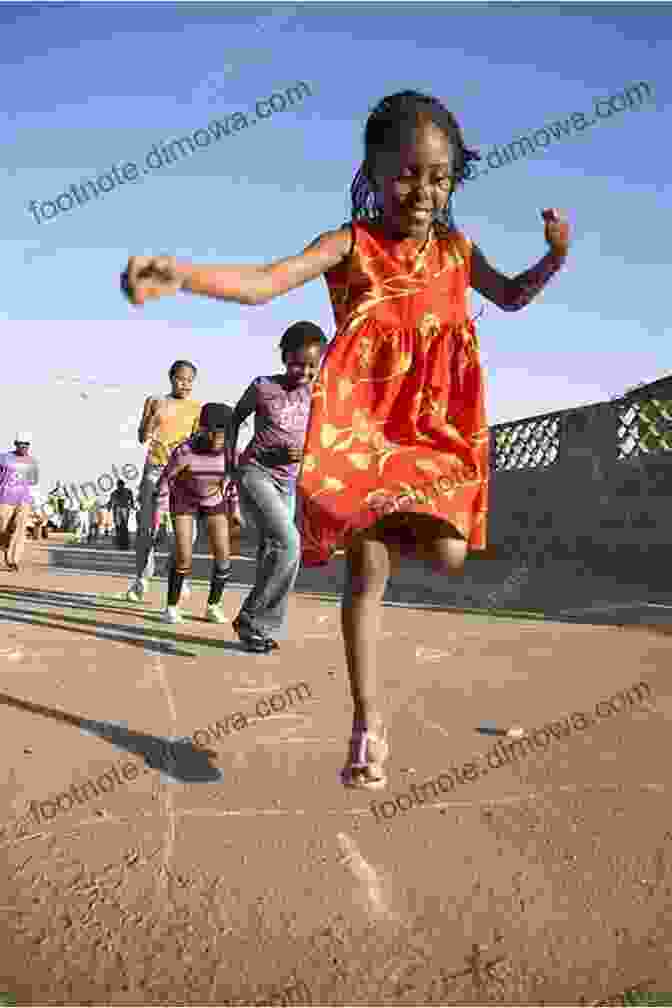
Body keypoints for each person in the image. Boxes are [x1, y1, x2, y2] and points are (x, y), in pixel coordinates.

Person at [121, 88, 570, 789]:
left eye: (440, 176)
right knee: (369, 576)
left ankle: (392, 533)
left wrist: (555, 260)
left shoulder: (457, 250)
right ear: (374, 169)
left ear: (454, 178)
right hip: (361, 425)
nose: (423, 190)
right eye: (407, 172)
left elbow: (509, 297)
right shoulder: (351, 244)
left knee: (451, 554)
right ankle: (366, 724)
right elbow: (266, 283)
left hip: (432, 427)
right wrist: (182, 275)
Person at [229, 321, 327, 652]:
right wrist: (231, 462)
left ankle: (258, 629)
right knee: (289, 543)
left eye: (313, 365)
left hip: (288, 482)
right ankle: (253, 619)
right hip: (255, 472)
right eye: (298, 363)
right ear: (285, 357)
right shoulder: (263, 386)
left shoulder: (318, 393)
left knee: (273, 553)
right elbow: (234, 419)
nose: (305, 371)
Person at [152, 402, 239, 624]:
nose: (221, 439)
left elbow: (231, 482)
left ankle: (213, 606)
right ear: (203, 430)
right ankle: (171, 607)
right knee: (184, 555)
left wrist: (235, 508)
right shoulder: (185, 451)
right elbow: (164, 482)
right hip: (184, 501)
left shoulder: (231, 452)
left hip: (213, 500)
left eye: (227, 434)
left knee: (223, 555)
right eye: (217, 434)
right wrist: (159, 514)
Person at [126, 360, 203, 603]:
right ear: (171, 378)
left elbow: (199, 442)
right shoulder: (155, 401)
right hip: (155, 469)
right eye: (181, 379)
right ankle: (141, 578)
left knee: (184, 532)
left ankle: (181, 578)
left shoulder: (197, 408)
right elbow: (142, 437)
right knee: (148, 528)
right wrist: (151, 419)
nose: (185, 384)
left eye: (190, 380)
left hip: (183, 473)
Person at [0, 433, 41, 571]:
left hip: (23, 500)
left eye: (26, 444)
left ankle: (13, 560)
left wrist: (35, 505)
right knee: (3, 528)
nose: (24, 446)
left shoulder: (32, 461)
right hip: (4, 498)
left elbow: (34, 483)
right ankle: (4, 546)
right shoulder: (3, 458)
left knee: (20, 529)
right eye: (21, 443)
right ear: (15, 443)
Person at [108, 479, 135, 550]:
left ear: (123, 485)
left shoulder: (128, 491)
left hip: (123, 510)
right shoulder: (114, 492)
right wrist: (109, 507)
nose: (120, 487)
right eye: (119, 485)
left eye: (121, 485)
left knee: (123, 527)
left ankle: (124, 544)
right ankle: (120, 543)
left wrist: (132, 506)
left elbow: (131, 500)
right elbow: (110, 502)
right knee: (119, 527)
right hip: (118, 510)